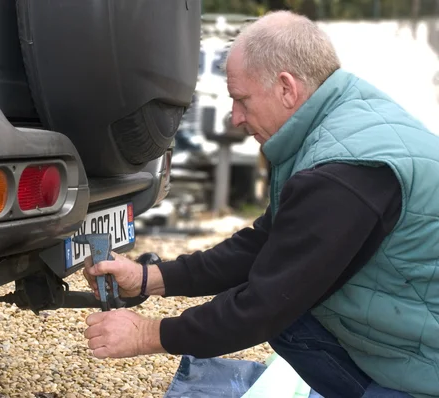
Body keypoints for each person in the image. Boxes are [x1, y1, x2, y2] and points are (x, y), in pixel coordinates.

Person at [82, 10, 439, 398]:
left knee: (281, 311)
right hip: (415, 321)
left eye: (242, 99)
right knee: (288, 313)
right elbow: (266, 245)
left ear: (286, 88)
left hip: (427, 365)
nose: (235, 117)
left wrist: (147, 333)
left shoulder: (342, 173)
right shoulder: (342, 121)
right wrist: (150, 278)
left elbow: (264, 305)